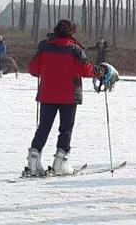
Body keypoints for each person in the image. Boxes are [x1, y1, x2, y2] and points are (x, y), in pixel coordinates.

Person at [25, 20, 110, 176]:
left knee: (43, 128)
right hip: (69, 96)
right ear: (71, 33)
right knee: (65, 129)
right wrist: (100, 71)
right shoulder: (75, 50)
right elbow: (86, 70)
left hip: (47, 94)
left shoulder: (45, 47)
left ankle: (33, 162)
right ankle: (60, 163)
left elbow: (33, 69)